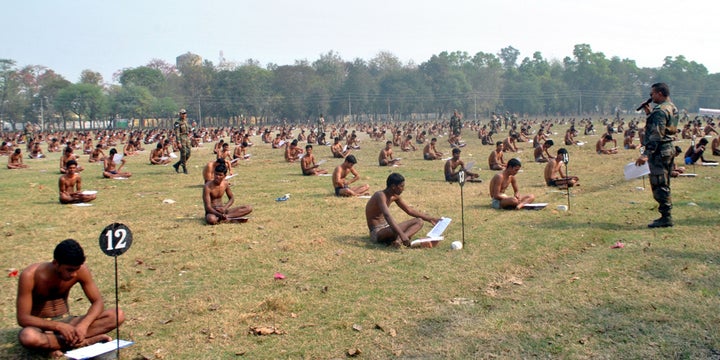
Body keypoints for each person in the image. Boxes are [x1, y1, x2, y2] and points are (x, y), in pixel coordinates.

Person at [16, 239, 124, 357]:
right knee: (28, 337)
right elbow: (23, 318)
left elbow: (97, 302)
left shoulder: (81, 270)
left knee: (117, 315)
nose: (73, 274)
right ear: (56, 263)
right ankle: (83, 342)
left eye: (76, 269)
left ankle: (58, 344)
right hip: (40, 326)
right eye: (69, 270)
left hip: (69, 322)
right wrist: (58, 326)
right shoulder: (30, 276)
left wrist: (83, 325)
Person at [635, 82, 678, 228]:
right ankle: (666, 214)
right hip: (668, 149)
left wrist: (646, 154)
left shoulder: (660, 110)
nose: (651, 97)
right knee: (664, 182)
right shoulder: (672, 107)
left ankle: (666, 217)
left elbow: (656, 134)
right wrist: (649, 113)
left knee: (659, 184)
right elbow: (666, 128)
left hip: (659, 151)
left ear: (659, 93)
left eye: (652, 94)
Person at [365, 173, 440, 248]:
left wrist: (430, 219)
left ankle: (398, 241)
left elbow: (409, 210)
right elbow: (387, 215)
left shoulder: (395, 196)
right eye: (401, 186)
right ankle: (401, 238)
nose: (403, 189)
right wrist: (402, 234)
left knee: (419, 221)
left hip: (388, 228)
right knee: (395, 229)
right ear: (393, 186)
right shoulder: (380, 195)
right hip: (377, 232)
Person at [172, 109, 191, 174]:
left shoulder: (185, 121)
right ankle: (184, 168)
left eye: (185, 113)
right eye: (182, 113)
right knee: (183, 153)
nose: (184, 115)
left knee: (188, 153)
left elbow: (187, 129)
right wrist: (178, 142)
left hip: (186, 138)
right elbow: (177, 133)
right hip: (181, 138)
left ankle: (177, 164)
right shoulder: (177, 122)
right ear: (180, 114)